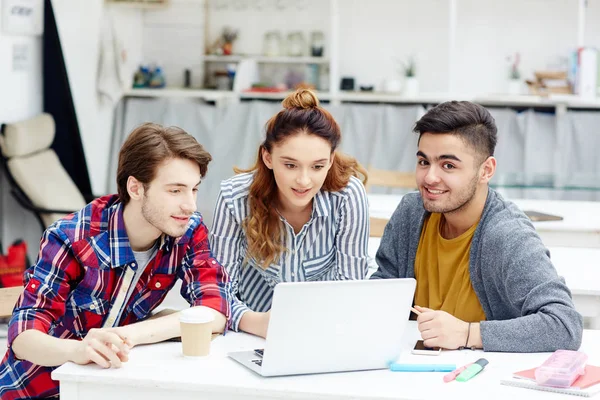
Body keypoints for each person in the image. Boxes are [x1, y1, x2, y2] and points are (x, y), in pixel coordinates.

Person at [0, 123, 230, 399]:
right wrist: (79, 349)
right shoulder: (71, 238)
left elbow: (215, 311)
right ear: (135, 188)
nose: (190, 205)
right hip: (36, 389)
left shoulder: (187, 230)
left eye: (194, 189)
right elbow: (23, 336)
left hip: (111, 385)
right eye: (175, 191)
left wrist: (130, 334)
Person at [372, 101, 583, 352]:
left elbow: (564, 325)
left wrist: (468, 333)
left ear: (486, 170)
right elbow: (384, 289)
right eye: (423, 162)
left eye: (448, 165)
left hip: (479, 379)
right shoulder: (411, 212)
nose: (429, 177)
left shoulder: (507, 235)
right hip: (409, 369)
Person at [210, 89, 369, 338]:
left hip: (327, 331)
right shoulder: (235, 197)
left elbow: (351, 287)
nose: (304, 180)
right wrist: (257, 324)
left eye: (317, 166)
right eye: (290, 165)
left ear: (330, 161)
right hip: (252, 333)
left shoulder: (348, 195)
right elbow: (216, 289)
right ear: (268, 157)